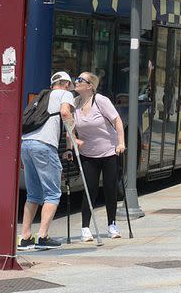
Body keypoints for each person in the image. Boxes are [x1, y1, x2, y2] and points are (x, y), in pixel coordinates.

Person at [17, 71, 76, 250]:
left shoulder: (40, 97)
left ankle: (25, 237)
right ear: (66, 84)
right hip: (44, 146)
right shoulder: (66, 94)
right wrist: (71, 138)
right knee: (52, 193)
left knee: (33, 194)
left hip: (26, 144)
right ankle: (42, 237)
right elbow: (65, 113)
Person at [73, 71, 126, 241]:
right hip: (88, 154)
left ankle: (112, 225)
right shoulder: (74, 104)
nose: (76, 81)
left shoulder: (100, 101)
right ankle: (85, 228)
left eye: (80, 80)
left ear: (90, 86)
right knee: (90, 189)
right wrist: (72, 144)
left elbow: (117, 121)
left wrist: (121, 143)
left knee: (110, 189)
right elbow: (70, 128)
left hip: (109, 151)